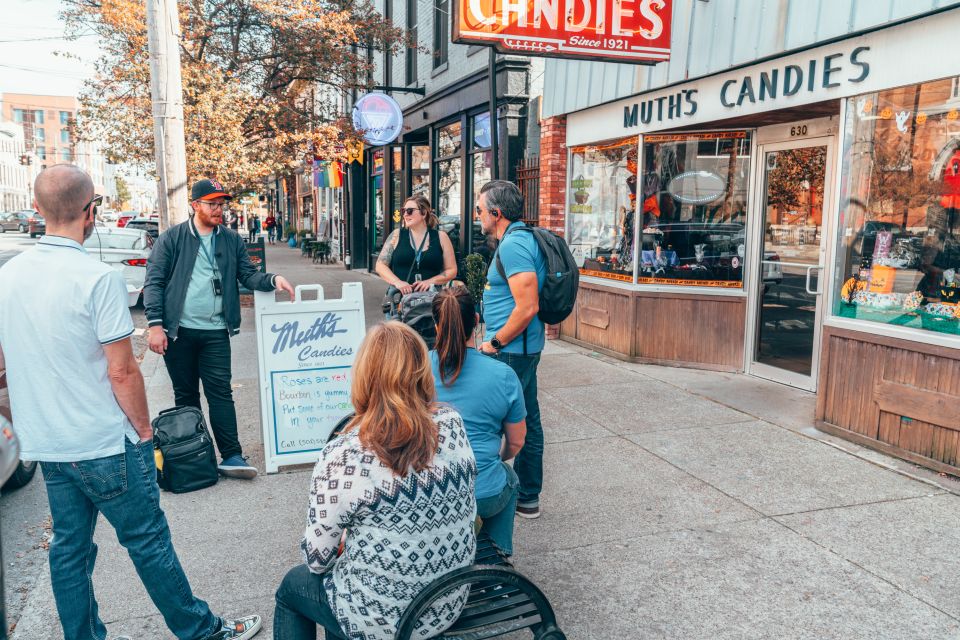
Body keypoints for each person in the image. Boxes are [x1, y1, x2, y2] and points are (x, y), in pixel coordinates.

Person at [0, 165, 261, 640]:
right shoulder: (96, 278)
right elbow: (122, 371)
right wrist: (143, 432)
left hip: (49, 444)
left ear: (36, 211)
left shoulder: (8, 276)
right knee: (147, 542)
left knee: (69, 551)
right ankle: (202, 631)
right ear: (91, 212)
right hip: (104, 439)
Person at [274, 322, 477, 640]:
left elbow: (317, 560)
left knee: (291, 589)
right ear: (422, 372)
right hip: (447, 601)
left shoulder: (343, 454)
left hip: (381, 619)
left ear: (364, 376)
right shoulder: (452, 424)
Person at [144, 179, 295, 479]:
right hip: (179, 332)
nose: (218, 209)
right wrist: (155, 325)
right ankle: (195, 454)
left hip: (215, 331)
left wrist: (273, 279)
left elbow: (247, 275)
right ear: (195, 205)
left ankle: (232, 455)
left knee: (220, 393)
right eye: (211, 204)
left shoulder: (230, 239)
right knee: (185, 395)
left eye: (221, 204)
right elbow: (155, 281)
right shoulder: (172, 239)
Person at [431, 288, 526, 555]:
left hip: (429, 493)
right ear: (476, 320)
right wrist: (495, 457)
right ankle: (497, 558)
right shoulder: (503, 375)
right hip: (483, 492)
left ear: (436, 325)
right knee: (508, 476)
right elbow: (517, 442)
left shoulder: (415, 369)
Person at [476, 180, 547, 520]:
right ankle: (527, 497)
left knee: (503, 420)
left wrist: (494, 342)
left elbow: (527, 306)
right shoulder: (516, 240)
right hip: (518, 347)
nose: (477, 216)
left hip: (512, 350)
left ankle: (500, 492)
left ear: (496, 213)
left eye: (479, 210)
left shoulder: (514, 246)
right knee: (528, 417)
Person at [374, 195, 457, 295]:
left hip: (431, 300)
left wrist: (430, 282)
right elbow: (380, 265)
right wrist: (398, 282)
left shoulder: (441, 237)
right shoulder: (396, 235)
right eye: (403, 211)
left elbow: (452, 270)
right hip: (401, 300)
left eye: (409, 211)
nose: (405, 215)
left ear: (424, 213)